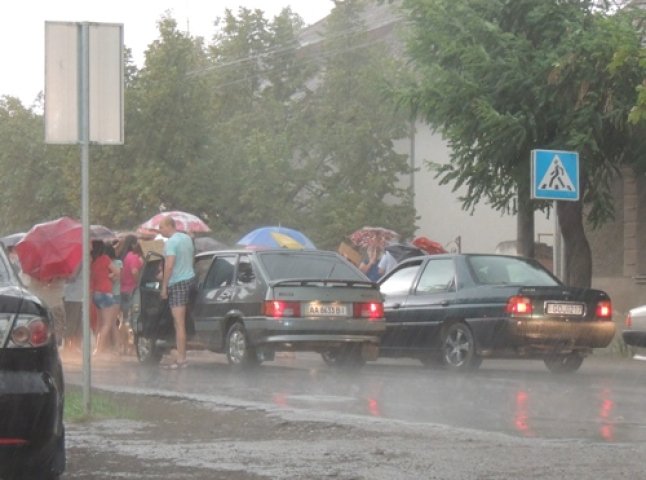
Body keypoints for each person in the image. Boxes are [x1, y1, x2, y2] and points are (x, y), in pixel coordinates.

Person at [158, 216, 195, 369]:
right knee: (182, 321)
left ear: (169, 225)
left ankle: (181, 358)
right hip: (190, 279)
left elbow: (170, 265)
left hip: (177, 283)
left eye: (161, 228)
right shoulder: (187, 239)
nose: (160, 231)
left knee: (178, 323)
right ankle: (180, 354)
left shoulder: (171, 243)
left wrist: (164, 286)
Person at [90, 240, 120, 356]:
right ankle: (99, 349)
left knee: (99, 323)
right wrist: (110, 276)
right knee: (107, 323)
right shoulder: (105, 258)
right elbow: (117, 272)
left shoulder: (91, 260)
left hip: (96, 293)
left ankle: (97, 347)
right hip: (106, 292)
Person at [118, 234, 144, 352]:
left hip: (122, 290)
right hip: (131, 290)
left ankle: (122, 345)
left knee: (123, 320)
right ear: (134, 244)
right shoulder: (133, 257)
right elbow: (134, 271)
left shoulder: (123, 257)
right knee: (132, 319)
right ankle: (132, 346)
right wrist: (138, 281)